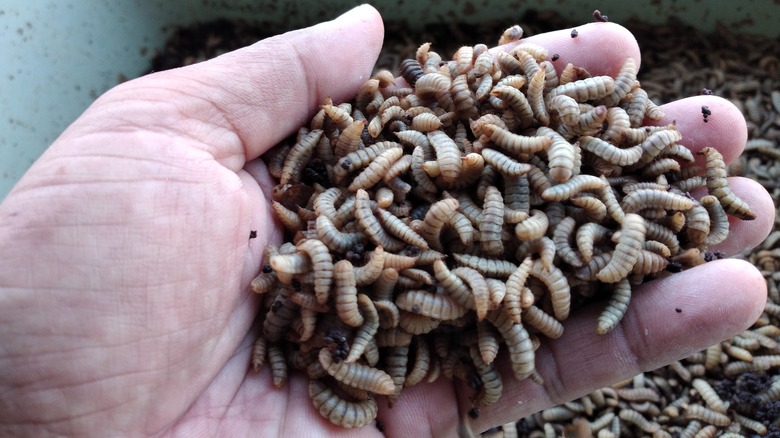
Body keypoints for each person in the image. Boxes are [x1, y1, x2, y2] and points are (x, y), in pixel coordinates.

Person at [0, 4, 774, 437]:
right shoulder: (358, 255)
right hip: (410, 272)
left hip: (479, 252)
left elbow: (542, 199)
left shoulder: (543, 181)